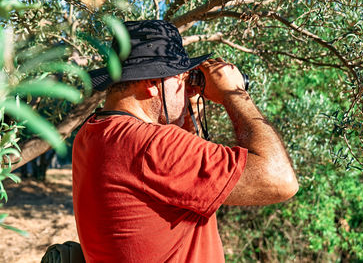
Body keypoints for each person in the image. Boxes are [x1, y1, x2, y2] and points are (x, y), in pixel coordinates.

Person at [72, 20, 298, 263]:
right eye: (181, 78)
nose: (189, 88)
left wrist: (189, 115)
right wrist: (235, 94)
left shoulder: (91, 133)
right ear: (151, 84)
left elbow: (178, 186)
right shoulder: (153, 146)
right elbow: (281, 181)